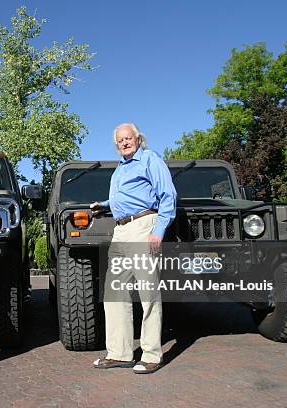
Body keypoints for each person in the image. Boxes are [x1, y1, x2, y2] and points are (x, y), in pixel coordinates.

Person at [91, 123, 176, 374]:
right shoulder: (120, 168)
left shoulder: (149, 159)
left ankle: (151, 354)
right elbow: (126, 197)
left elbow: (168, 195)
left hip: (142, 226)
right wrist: (105, 204)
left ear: (138, 139)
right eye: (120, 140)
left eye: (128, 138)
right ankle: (120, 353)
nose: (124, 143)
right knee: (114, 292)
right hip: (121, 230)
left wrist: (158, 230)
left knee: (148, 293)